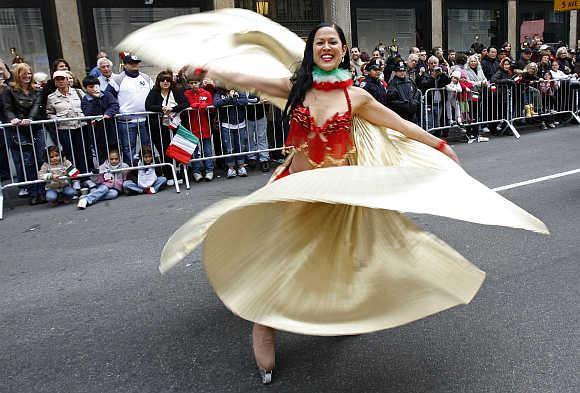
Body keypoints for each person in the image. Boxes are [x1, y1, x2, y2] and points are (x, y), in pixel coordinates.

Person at [122, 11, 547, 386]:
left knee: (341, 258)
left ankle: (335, 312)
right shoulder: (295, 86)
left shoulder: (355, 96)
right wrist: (207, 68)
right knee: (279, 257)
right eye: (320, 42)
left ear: (344, 51)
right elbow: (246, 79)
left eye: (333, 42)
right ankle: (264, 322)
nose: (327, 47)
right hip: (294, 189)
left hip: (340, 193)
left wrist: (437, 143)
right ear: (313, 51)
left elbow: (398, 122)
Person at [2, 63, 46, 204]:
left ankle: (43, 190)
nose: (27, 76)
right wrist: (13, 119)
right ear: (18, 75)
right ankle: (33, 191)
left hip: (36, 126)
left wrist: (30, 119)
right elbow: (7, 108)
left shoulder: (37, 89)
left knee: (41, 158)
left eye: (29, 73)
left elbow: (36, 106)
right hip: (19, 128)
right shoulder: (9, 90)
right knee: (27, 161)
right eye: (24, 74)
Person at [46, 70, 95, 191]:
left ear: (68, 80)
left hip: (80, 126)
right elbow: (49, 112)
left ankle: (86, 178)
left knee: (82, 153)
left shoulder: (78, 92)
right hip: (64, 129)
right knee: (70, 155)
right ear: (55, 82)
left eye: (62, 79)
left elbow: (87, 105)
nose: (60, 81)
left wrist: (87, 116)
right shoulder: (51, 97)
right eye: (57, 79)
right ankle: (75, 179)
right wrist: (55, 118)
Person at [107, 54, 154, 165]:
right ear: (125, 65)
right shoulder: (117, 79)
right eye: (132, 63)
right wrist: (116, 110)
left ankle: (148, 170)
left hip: (145, 119)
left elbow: (154, 94)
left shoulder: (146, 78)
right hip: (126, 121)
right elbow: (108, 96)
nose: (135, 65)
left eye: (136, 62)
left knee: (147, 147)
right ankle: (132, 171)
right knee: (128, 148)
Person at [145, 70, 189, 179]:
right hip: (159, 128)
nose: (165, 82)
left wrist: (173, 108)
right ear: (158, 82)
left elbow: (186, 103)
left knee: (178, 149)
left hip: (175, 125)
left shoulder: (176, 91)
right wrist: (161, 108)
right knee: (164, 150)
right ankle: (169, 175)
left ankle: (179, 174)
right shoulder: (154, 92)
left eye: (168, 80)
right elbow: (148, 106)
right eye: (162, 80)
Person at [80, 75, 120, 165]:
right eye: (91, 87)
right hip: (96, 133)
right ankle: (104, 176)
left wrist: (108, 113)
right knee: (101, 156)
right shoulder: (85, 100)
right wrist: (95, 99)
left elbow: (114, 105)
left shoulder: (107, 94)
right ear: (86, 88)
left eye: (96, 86)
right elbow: (88, 113)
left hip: (110, 130)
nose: (94, 89)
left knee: (114, 153)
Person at [214, 87, 249, 178]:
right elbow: (216, 103)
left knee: (241, 146)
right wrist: (230, 98)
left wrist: (232, 100)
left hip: (240, 123)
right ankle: (231, 168)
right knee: (229, 148)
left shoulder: (240, 90)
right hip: (226, 124)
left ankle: (241, 167)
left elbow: (244, 101)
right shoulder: (219, 92)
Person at [184, 79, 215, 182]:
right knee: (194, 150)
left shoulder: (206, 93)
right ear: (189, 84)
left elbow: (212, 108)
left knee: (207, 150)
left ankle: (209, 170)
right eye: (192, 83)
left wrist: (206, 106)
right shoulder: (186, 94)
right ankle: (196, 171)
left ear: (199, 83)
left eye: (195, 82)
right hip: (191, 127)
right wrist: (190, 106)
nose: (194, 85)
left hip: (205, 126)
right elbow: (183, 106)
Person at [246, 94, 270, 172]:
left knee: (262, 137)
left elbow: (267, 98)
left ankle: (264, 159)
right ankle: (251, 157)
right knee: (249, 138)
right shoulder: (242, 87)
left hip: (260, 115)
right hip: (247, 116)